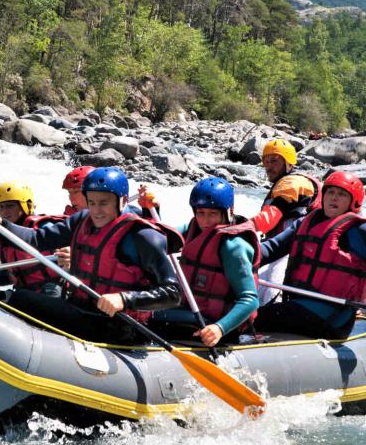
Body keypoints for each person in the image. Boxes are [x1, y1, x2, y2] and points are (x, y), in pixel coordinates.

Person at [0, 167, 183, 344]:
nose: (96, 211)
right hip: (83, 310)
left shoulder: (142, 237)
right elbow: (37, 239)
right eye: (92, 202)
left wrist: (124, 299)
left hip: (121, 326)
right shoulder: (81, 220)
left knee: (21, 300)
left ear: (122, 202)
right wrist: (1, 225)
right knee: (21, 298)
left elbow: (172, 294)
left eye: (104, 203)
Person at [149, 178, 260, 347]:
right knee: (140, 308)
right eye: (201, 213)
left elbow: (250, 300)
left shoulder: (233, 247)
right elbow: (157, 240)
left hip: (215, 323)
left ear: (228, 212)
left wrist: (219, 328)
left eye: (213, 214)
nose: (206, 221)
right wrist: (150, 209)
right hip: (190, 310)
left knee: (146, 315)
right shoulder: (192, 229)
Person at [255, 171, 366, 339]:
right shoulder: (305, 222)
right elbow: (271, 248)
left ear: (354, 202)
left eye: (342, 194)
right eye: (331, 192)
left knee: (257, 318)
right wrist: (240, 254)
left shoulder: (358, 230)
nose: (334, 198)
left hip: (334, 316)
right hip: (299, 305)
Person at [252, 138, 321, 304]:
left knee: (272, 293)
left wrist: (238, 228)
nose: (269, 166)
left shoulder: (293, 182)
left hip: (293, 249)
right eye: (266, 162)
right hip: (276, 248)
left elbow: (269, 218)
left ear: (289, 162)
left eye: (275, 161)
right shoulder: (283, 183)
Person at [0, 180, 64, 295]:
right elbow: (8, 276)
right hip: (23, 293)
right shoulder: (4, 236)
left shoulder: (44, 227)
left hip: (52, 291)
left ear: (26, 205)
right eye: (0, 207)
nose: (4, 212)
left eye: (10, 206)